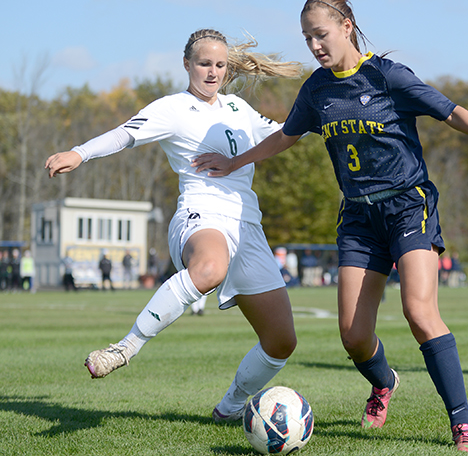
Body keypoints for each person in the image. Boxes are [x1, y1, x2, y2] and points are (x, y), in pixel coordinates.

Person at [193, 0, 468, 452]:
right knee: (353, 336)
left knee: (419, 311)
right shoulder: (317, 89)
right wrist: (234, 163)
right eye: (307, 37)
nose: (314, 45)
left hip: (409, 207)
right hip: (358, 217)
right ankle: (383, 382)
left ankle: (462, 422)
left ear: (346, 26)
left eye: (321, 34)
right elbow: (286, 138)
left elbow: (449, 111)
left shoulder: (387, 76)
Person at [45, 28, 301, 422]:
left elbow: (286, 134)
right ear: (187, 64)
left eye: (219, 65)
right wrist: (79, 153)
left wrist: (325, 111)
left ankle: (230, 408)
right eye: (204, 64)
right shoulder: (173, 108)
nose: (212, 72)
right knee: (209, 269)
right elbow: (124, 135)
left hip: (248, 226)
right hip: (201, 215)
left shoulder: (239, 110)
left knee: (281, 342)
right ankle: (125, 348)